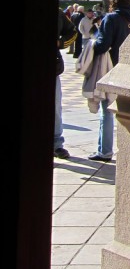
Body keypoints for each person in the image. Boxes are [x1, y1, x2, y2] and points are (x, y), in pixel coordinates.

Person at [84, 0, 130, 162]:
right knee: (129, 109)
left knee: (106, 110)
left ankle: (104, 150)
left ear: (113, 0)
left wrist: (92, 43)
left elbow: (102, 45)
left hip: (111, 68)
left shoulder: (111, 18)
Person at [55, 8, 70, 159]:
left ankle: (56, 144)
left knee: (55, 107)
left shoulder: (58, 13)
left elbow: (72, 32)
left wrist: (60, 42)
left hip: (53, 67)